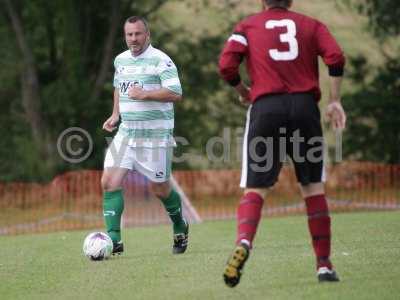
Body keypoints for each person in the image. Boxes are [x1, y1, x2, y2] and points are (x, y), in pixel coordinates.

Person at [218, 0, 346, 287]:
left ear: (262, 1)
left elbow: (227, 65)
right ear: (290, 1)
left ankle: (244, 242)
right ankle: (324, 265)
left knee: (257, 187)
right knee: (312, 186)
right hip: (304, 109)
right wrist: (335, 100)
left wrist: (243, 91)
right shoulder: (311, 25)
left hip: (266, 109)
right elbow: (335, 58)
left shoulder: (248, 26)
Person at [101, 16, 188, 255]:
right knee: (109, 182)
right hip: (127, 134)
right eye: (129, 34)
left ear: (147, 35)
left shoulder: (161, 60)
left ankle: (180, 226)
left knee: (160, 189)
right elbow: (119, 86)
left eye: (138, 34)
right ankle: (114, 241)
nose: (133, 39)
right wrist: (115, 114)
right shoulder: (121, 60)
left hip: (155, 137)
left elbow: (176, 92)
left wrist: (147, 94)